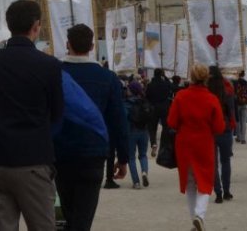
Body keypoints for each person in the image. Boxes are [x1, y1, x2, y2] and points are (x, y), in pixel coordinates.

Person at [0, 0, 64, 231]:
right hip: (32, 161)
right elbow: (57, 113)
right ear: (36, 26)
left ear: (8, 24)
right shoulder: (49, 65)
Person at [53, 23, 128, 231]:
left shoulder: (54, 73)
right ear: (92, 46)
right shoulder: (108, 78)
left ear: (67, 44)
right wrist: (123, 158)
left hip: (61, 153)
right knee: (83, 219)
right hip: (92, 154)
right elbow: (118, 121)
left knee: (68, 213)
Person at [168, 63, 225, 231]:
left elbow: (171, 121)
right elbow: (219, 127)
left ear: (191, 77)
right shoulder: (212, 99)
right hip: (204, 143)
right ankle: (200, 215)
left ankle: (195, 218)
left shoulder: (180, 96)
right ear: (206, 78)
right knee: (206, 181)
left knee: (190, 183)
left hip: (184, 144)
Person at [207, 65, 236, 202]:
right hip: (224, 127)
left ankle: (217, 192)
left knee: (213, 162)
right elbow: (231, 110)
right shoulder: (228, 89)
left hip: (209, 129)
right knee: (226, 161)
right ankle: (227, 191)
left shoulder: (206, 91)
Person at [125, 82, 151, 189]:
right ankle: (144, 172)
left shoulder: (127, 103)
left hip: (132, 131)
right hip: (144, 130)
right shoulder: (144, 102)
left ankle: (136, 182)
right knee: (143, 155)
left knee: (131, 157)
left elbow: (124, 119)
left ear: (131, 90)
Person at [145, 67, 174, 154]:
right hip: (164, 107)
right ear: (161, 74)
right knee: (165, 126)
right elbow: (171, 87)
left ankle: (153, 143)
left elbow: (147, 96)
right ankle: (164, 144)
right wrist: (165, 76)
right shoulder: (165, 83)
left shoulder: (150, 85)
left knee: (152, 127)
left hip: (154, 107)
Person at [232, 70, 247, 144]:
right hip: (245, 104)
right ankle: (243, 139)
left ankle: (238, 137)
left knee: (238, 121)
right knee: (244, 122)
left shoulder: (235, 83)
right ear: (244, 75)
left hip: (237, 104)